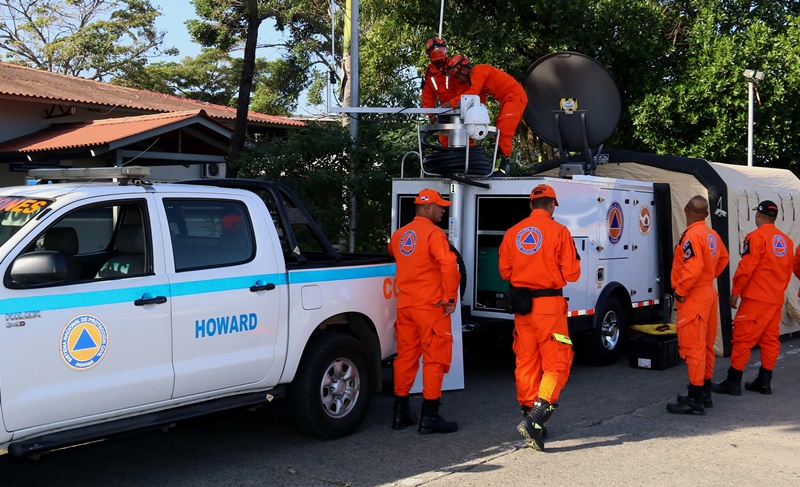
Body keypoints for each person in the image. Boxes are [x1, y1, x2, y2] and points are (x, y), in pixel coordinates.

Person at [498, 184, 581, 451]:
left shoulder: (512, 232)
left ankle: (530, 417)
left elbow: (504, 272)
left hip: (522, 308)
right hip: (549, 307)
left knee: (526, 362)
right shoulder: (559, 231)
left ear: (530, 205)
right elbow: (572, 273)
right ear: (553, 205)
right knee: (557, 363)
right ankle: (536, 418)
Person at [388, 188, 461, 434]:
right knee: (434, 359)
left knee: (405, 357)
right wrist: (449, 298)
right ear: (427, 207)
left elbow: (393, 252)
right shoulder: (434, 234)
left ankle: (400, 414)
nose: (443, 211)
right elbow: (449, 266)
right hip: (430, 307)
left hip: (405, 306)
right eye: (440, 207)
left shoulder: (399, 235)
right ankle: (429, 418)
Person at [712, 200, 793, 396]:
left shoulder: (756, 237)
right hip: (775, 298)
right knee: (770, 340)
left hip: (756, 298)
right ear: (775, 218)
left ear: (758, 215)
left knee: (742, 339)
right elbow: (788, 271)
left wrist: (735, 292)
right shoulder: (786, 241)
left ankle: (733, 382)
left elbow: (746, 268)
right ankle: (764, 381)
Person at [666, 196, 729, 415]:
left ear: (686, 209)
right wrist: (708, 277)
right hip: (709, 293)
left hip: (694, 295)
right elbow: (724, 259)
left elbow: (693, 267)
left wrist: (681, 291)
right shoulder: (712, 235)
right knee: (706, 346)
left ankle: (695, 400)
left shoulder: (691, 236)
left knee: (694, 348)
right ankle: (704, 393)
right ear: (707, 214)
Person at [444, 54, 528, 175]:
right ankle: (498, 166)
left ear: (464, 70)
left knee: (504, 130)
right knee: (499, 130)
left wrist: (450, 104)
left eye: (457, 76)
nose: (458, 80)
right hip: (508, 99)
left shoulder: (478, 72)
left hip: (515, 96)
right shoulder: (475, 81)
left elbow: (472, 94)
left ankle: (502, 167)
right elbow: (479, 101)